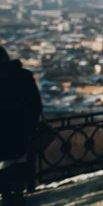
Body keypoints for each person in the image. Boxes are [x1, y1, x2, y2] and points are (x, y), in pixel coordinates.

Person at [0, 46, 43, 206]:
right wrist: (30, 124)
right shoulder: (23, 76)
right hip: (21, 129)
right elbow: (35, 104)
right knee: (19, 161)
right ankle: (18, 193)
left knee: (3, 165)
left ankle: (5, 196)